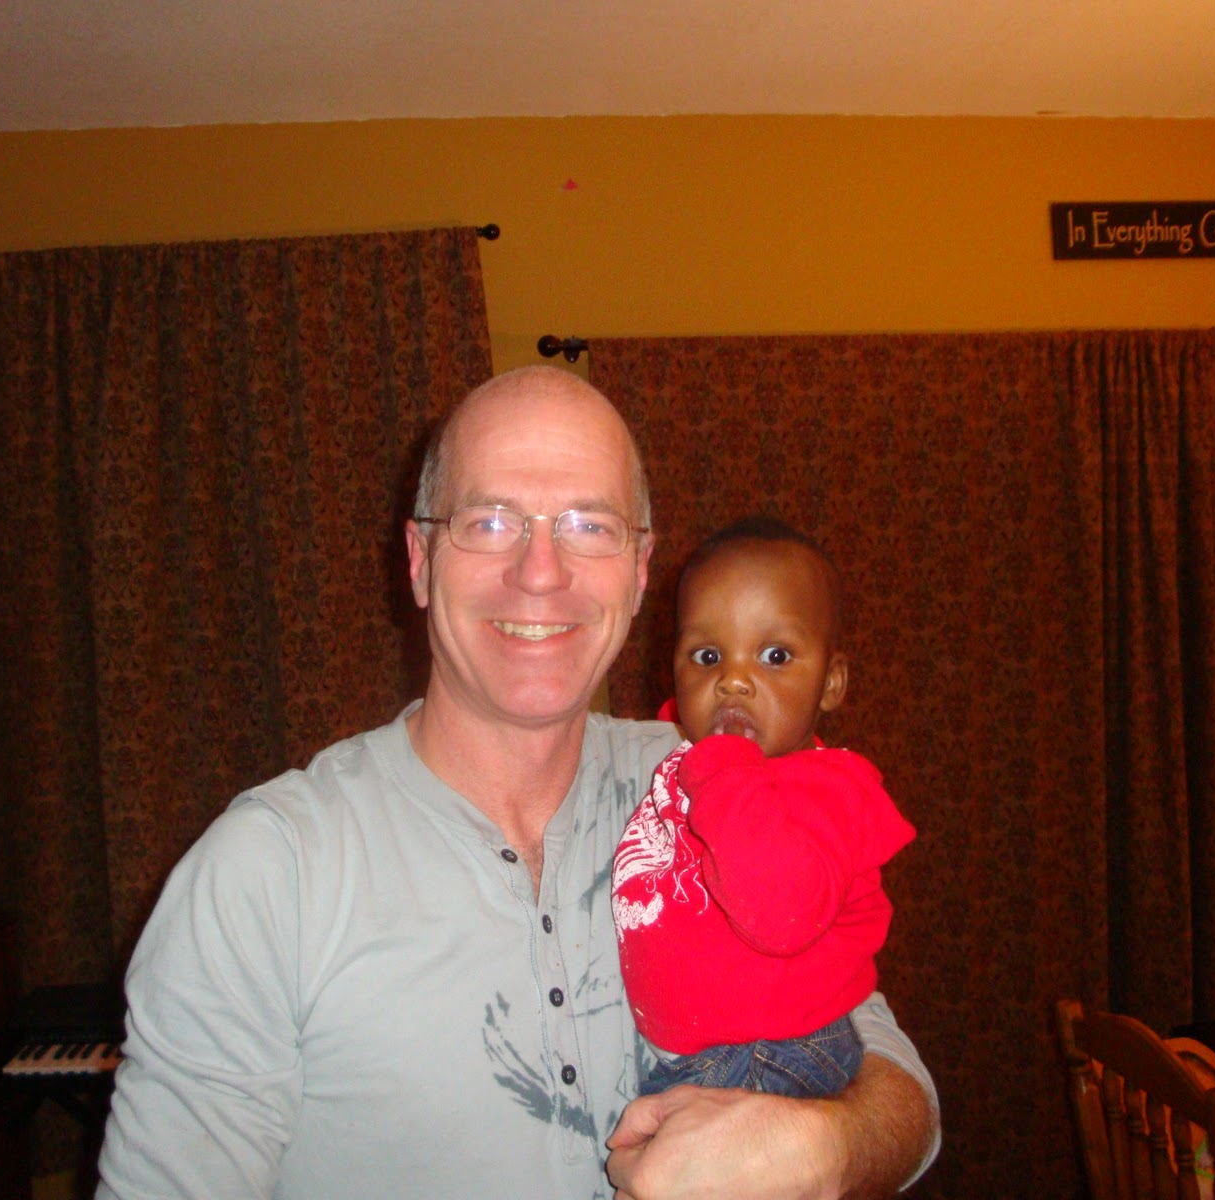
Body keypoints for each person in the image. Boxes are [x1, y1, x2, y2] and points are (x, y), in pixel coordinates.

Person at [95, 366, 939, 1200]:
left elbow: (894, 1084)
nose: (540, 571)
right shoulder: (266, 872)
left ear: (640, 571)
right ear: (419, 560)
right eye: (490, 521)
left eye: (589, 525)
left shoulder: (711, 781)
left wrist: (823, 1148)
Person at [613, 517, 915, 1101]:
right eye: (707, 656)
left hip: (771, 1056)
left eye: (775, 655)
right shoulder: (686, 759)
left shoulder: (830, 789)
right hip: (705, 1057)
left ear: (832, 683)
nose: (733, 681)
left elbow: (782, 916)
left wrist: (723, 763)